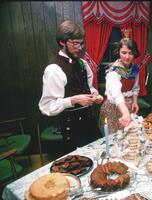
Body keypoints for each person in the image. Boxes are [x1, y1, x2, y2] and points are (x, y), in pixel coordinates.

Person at [39, 20, 104, 153]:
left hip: (90, 123)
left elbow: (88, 87)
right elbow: (46, 106)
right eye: (75, 43)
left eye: (81, 43)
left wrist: (95, 94)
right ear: (62, 42)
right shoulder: (54, 70)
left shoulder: (83, 64)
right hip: (70, 128)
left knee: (99, 157)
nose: (80, 48)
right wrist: (74, 100)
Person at [99, 38, 140, 134]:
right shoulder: (113, 71)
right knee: (114, 140)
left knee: (129, 138)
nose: (127, 57)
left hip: (129, 107)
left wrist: (134, 101)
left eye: (130, 53)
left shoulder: (135, 69)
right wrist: (125, 112)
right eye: (124, 53)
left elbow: (135, 88)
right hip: (113, 108)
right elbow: (116, 94)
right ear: (118, 52)